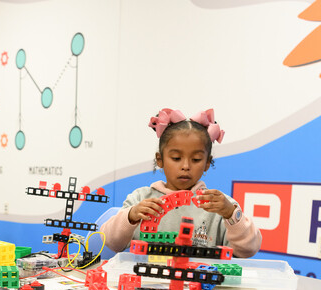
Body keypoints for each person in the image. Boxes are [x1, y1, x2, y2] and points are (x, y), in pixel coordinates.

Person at [100, 108, 261, 258]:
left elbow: (248, 250)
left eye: (196, 159)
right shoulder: (141, 198)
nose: (185, 166)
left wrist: (230, 214)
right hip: (147, 282)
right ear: (160, 160)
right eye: (176, 158)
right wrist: (131, 215)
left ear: (207, 163)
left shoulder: (217, 205)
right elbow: (111, 241)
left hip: (199, 285)